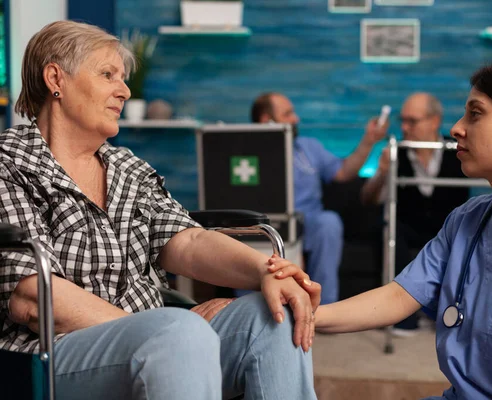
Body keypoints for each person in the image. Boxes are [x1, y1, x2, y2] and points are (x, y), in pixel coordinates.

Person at [0, 21, 321, 400]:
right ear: (56, 78)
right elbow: (32, 298)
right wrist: (161, 328)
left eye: (123, 78)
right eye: (108, 75)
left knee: (272, 319)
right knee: (179, 333)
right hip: (56, 355)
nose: (124, 91)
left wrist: (266, 272)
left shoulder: (127, 168)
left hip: (167, 339)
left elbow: (189, 242)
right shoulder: (11, 162)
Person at [268, 57, 492, 399]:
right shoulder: (469, 219)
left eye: (475, 113)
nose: (457, 128)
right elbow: (399, 296)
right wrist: (301, 312)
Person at [251, 92, 387, 304]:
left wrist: (369, 141)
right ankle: (252, 308)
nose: (296, 119)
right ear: (266, 120)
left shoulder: (308, 147)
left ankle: (323, 306)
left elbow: (343, 172)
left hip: (309, 222)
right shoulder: (246, 152)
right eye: (288, 114)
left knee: (329, 221)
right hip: (267, 225)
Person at [361, 93, 469, 335]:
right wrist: (381, 173)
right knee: (388, 226)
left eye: (412, 121)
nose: (404, 127)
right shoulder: (395, 153)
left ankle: (452, 312)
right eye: (403, 120)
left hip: (447, 227)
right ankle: (402, 316)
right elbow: (367, 199)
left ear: (434, 121)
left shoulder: (458, 151)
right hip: (407, 227)